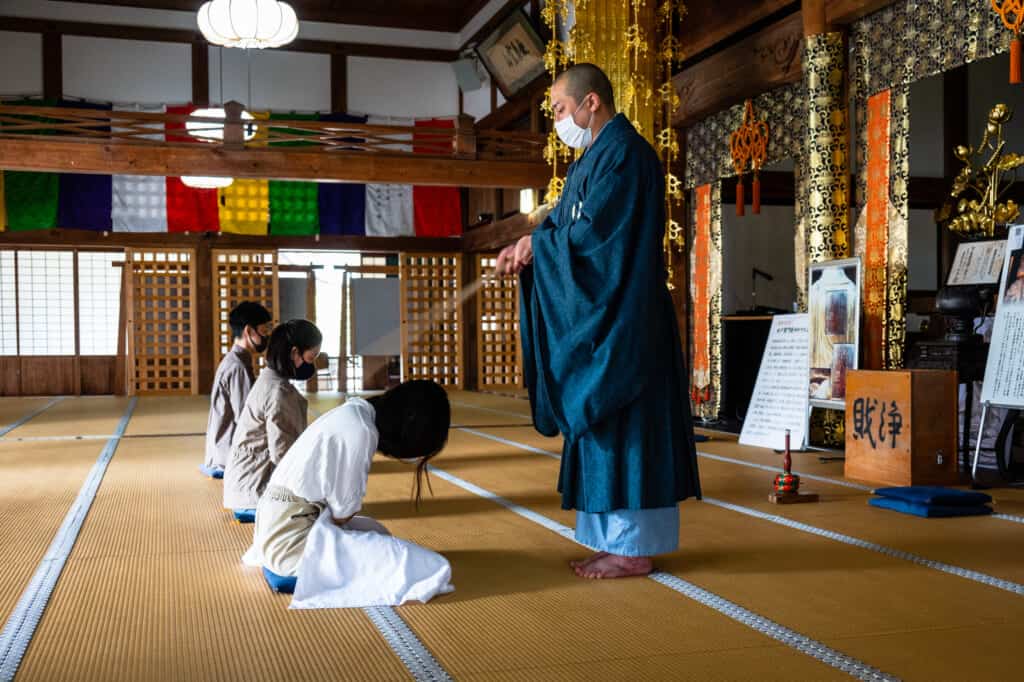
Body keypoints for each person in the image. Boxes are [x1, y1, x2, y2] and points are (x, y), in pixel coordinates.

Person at [495, 63, 701, 579]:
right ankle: (610, 542)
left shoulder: (626, 156)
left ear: (591, 103)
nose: (558, 122)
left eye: (561, 110)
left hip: (625, 320)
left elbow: (596, 244)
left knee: (624, 425)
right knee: (595, 420)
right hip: (601, 318)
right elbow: (565, 229)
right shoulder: (592, 160)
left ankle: (632, 548)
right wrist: (530, 244)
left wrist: (538, 246)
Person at [252, 380, 451, 578]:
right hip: (291, 543)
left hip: (277, 524)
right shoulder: (362, 430)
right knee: (423, 566)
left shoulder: (355, 411)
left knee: (377, 532)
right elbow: (343, 512)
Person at [223, 319, 322, 514]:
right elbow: (283, 455)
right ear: (295, 353)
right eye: (312, 358)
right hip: (254, 490)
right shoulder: (279, 392)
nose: (313, 365)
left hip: (243, 483)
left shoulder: (269, 378)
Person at [201, 302, 273, 478]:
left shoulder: (236, 360)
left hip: (222, 447)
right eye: (264, 331)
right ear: (249, 331)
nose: (267, 337)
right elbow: (246, 418)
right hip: (228, 455)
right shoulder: (238, 367)